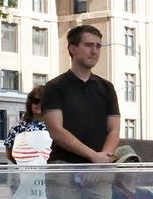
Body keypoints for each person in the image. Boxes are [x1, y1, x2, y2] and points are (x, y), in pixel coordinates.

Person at [42, 25, 120, 163]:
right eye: (89, 45)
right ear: (72, 48)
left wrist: (103, 158)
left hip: (100, 168)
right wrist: (93, 156)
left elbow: (114, 129)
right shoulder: (54, 87)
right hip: (64, 167)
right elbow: (56, 131)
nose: (94, 51)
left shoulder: (107, 87)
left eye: (98, 46)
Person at [5, 87, 52, 165]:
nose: (39, 104)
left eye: (43, 101)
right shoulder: (17, 128)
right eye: (35, 101)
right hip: (26, 174)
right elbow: (9, 154)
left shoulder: (57, 126)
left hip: (53, 174)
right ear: (30, 103)